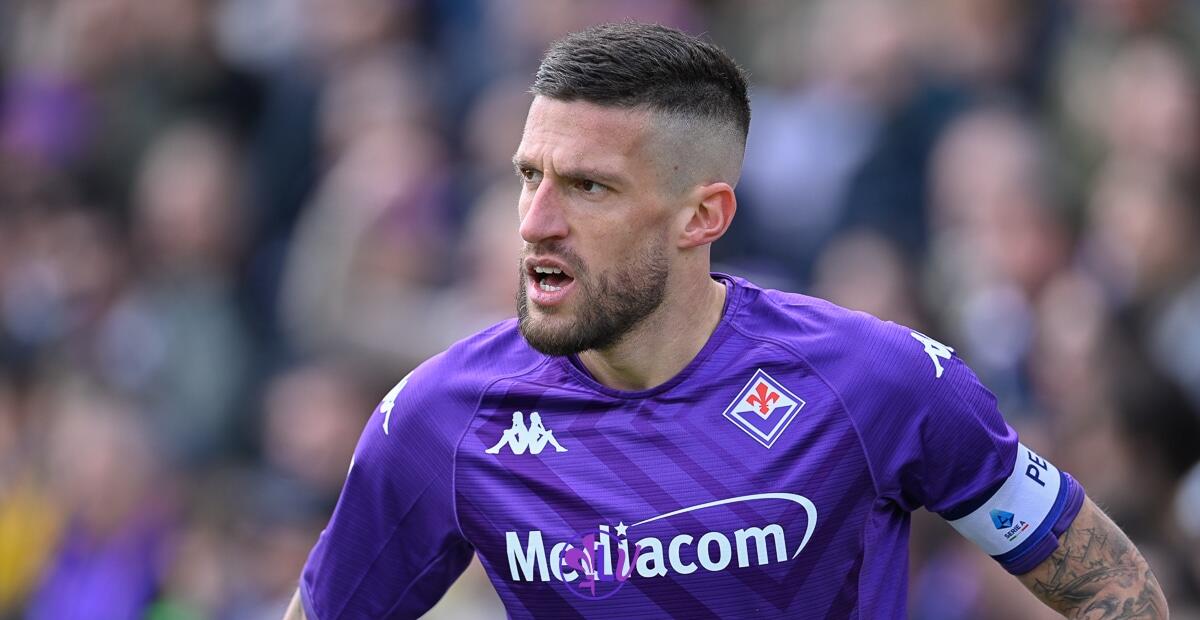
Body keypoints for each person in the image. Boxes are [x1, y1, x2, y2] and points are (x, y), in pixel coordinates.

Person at [285, 23, 1167, 619]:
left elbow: (1114, 590)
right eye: (528, 176)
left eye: (588, 186)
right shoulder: (442, 420)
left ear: (702, 216)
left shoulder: (876, 383)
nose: (535, 222)